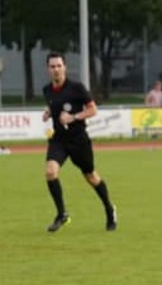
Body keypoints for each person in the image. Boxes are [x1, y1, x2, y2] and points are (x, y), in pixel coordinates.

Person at [41, 52, 117, 232]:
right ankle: (62, 214)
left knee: (91, 177)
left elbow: (93, 110)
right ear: (48, 69)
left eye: (59, 66)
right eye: (52, 66)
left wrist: (73, 117)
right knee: (50, 172)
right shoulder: (47, 90)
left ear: (65, 67)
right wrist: (48, 112)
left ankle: (109, 208)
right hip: (59, 140)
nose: (56, 69)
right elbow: (54, 104)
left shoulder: (77, 88)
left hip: (78, 140)